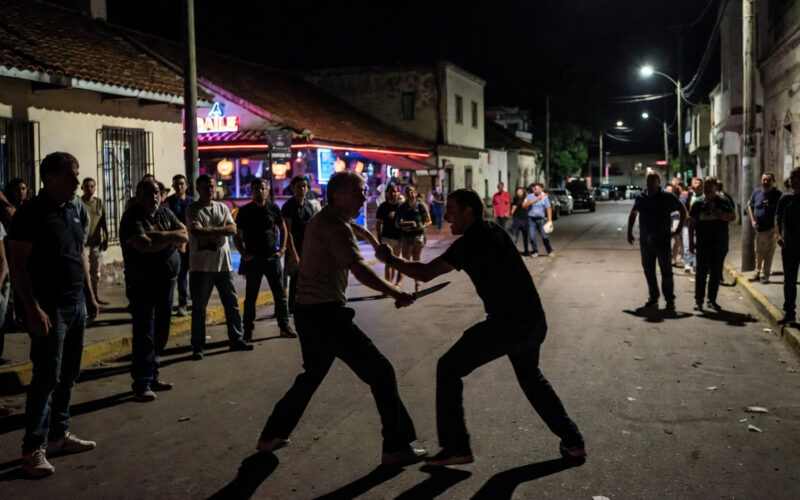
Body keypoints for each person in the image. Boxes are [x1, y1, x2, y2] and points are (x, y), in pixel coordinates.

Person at [376, 188, 585, 466]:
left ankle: (456, 447)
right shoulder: (492, 231)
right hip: (532, 320)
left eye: (451, 209)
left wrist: (390, 260)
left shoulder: (472, 240)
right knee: (531, 377)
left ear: (468, 212)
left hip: (508, 325)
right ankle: (573, 441)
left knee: (448, 367)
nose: (446, 214)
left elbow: (426, 273)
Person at [256, 171, 427, 467]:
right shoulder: (332, 224)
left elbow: (359, 232)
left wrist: (378, 247)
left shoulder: (328, 219)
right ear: (338, 195)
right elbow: (358, 269)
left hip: (310, 312)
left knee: (312, 375)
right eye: (359, 191)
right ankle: (396, 447)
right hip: (326, 314)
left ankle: (272, 435)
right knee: (382, 372)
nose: (364, 197)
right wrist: (396, 292)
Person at [8, 152, 99, 477]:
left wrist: (89, 295)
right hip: (49, 310)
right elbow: (17, 265)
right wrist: (32, 309)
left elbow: (79, 254)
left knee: (68, 374)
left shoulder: (72, 211)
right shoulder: (31, 214)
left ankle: (59, 435)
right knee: (46, 377)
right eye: (71, 175)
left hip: (75, 305)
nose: (77, 181)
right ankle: (33, 449)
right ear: (50, 177)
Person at [119, 179, 187, 401]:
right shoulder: (132, 217)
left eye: (157, 192)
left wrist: (161, 236)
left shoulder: (165, 214)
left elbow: (184, 235)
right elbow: (144, 245)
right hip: (142, 283)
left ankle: (153, 374)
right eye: (148, 193)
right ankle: (142, 382)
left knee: (161, 330)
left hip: (166, 281)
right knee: (145, 332)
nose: (154, 197)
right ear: (138, 196)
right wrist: (172, 240)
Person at [186, 174, 252, 359]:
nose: (210, 189)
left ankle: (236, 339)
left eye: (212, 186)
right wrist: (219, 230)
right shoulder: (192, 209)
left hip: (224, 265)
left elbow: (232, 229)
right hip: (201, 267)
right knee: (199, 308)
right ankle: (198, 346)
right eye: (206, 186)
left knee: (231, 305)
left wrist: (210, 230)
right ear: (198, 188)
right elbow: (196, 232)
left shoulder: (222, 207)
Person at [234, 178, 296, 340]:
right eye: (256, 189)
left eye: (262, 188)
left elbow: (283, 229)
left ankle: (284, 327)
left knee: (280, 295)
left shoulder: (273, 208)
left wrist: (282, 249)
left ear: (267, 191)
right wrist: (243, 253)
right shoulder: (245, 211)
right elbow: (237, 235)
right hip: (253, 259)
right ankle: (247, 330)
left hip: (271, 257)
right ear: (251, 191)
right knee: (251, 297)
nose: (259, 192)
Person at [626, 172, 687, 310]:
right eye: (648, 180)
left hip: (662, 241)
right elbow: (633, 214)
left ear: (659, 182)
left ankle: (670, 299)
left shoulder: (667, 196)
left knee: (666, 271)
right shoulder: (641, 197)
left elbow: (683, 211)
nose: (651, 184)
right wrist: (629, 232)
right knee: (649, 271)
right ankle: (653, 297)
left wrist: (678, 230)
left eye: (653, 180)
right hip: (646, 242)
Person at [688, 176, 736, 311]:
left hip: (719, 244)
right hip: (703, 244)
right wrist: (691, 242)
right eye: (706, 185)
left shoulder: (723, 201)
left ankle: (712, 300)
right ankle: (698, 301)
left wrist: (717, 213)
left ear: (715, 187)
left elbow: (732, 217)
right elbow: (692, 223)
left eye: (710, 185)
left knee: (715, 273)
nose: (708, 188)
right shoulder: (697, 203)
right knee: (701, 273)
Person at [281, 176, 314, 314]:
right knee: (294, 278)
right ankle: (291, 308)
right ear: (293, 188)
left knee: (307, 278)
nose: (302, 189)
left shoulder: (309, 205)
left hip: (307, 247)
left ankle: (305, 304)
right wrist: (294, 254)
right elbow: (288, 232)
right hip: (294, 247)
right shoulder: (288, 207)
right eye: (299, 186)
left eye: (304, 186)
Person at [164, 174, 195, 317]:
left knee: (194, 274)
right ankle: (182, 303)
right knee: (181, 274)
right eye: (176, 184)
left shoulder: (192, 202)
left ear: (186, 185)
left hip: (192, 243)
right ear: (173, 186)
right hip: (175, 243)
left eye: (182, 184)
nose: (179, 187)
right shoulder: (168, 203)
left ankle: (194, 300)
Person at [395, 183, 431, 292]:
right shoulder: (402, 206)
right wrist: (402, 225)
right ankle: (398, 284)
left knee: (416, 260)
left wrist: (422, 226)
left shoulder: (420, 205)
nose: (410, 193)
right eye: (408, 191)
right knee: (404, 261)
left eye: (412, 191)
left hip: (418, 236)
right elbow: (396, 222)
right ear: (405, 194)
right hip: (406, 236)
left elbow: (428, 221)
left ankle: (418, 284)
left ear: (415, 192)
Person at [747, 173, 782, 284]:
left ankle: (765, 275)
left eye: (768, 180)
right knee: (758, 252)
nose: (765, 182)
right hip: (759, 229)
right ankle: (757, 272)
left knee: (768, 253)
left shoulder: (778, 194)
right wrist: (752, 220)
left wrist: (779, 229)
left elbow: (781, 211)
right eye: (764, 180)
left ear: (773, 181)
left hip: (771, 229)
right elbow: (750, 205)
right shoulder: (757, 193)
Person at [777, 167, 800, 324]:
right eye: (793, 178)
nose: (794, 181)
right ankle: (789, 313)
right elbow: (778, 219)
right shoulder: (785, 199)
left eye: (797, 178)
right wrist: (779, 236)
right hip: (789, 246)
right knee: (790, 281)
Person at [80, 178, 109, 305]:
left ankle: (94, 296)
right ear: (82, 188)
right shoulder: (79, 203)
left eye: (92, 186)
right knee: (83, 273)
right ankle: (85, 299)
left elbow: (104, 222)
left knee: (95, 273)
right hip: (83, 245)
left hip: (96, 243)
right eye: (87, 186)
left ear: (95, 188)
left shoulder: (99, 203)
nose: (90, 188)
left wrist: (106, 238)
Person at [376, 183, 404, 285]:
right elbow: (378, 223)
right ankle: (389, 285)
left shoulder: (402, 207)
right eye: (391, 191)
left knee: (400, 263)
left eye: (396, 191)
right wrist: (379, 238)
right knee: (388, 263)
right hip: (387, 238)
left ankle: (398, 284)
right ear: (387, 193)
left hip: (400, 238)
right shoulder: (383, 207)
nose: (394, 193)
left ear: (399, 193)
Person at [523, 183, 553, 257]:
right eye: (533, 188)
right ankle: (535, 251)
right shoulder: (529, 196)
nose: (534, 189)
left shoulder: (545, 197)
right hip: (531, 219)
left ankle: (550, 251)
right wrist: (535, 199)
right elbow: (523, 205)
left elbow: (548, 208)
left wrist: (549, 220)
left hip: (541, 220)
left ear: (541, 189)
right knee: (532, 236)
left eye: (536, 188)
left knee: (544, 236)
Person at [683, 177, 703, 274]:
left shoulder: (703, 198)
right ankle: (688, 263)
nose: (697, 184)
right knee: (687, 244)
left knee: (697, 245)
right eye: (695, 182)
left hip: (699, 225)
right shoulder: (690, 196)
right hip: (688, 223)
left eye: (699, 183)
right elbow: (685, 208)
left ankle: (696, 266)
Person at [510, 187, 531, 256]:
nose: (519, 193)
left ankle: (526, 250)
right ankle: (513, 251)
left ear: (523, 192)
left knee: (525, 236)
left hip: (525, 219)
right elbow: (513, 208)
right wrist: (511, 213)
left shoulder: (526, 199)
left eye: (520, 191)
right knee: (515, 237)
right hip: (517, 219)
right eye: (518, 191)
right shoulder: (515, 199)